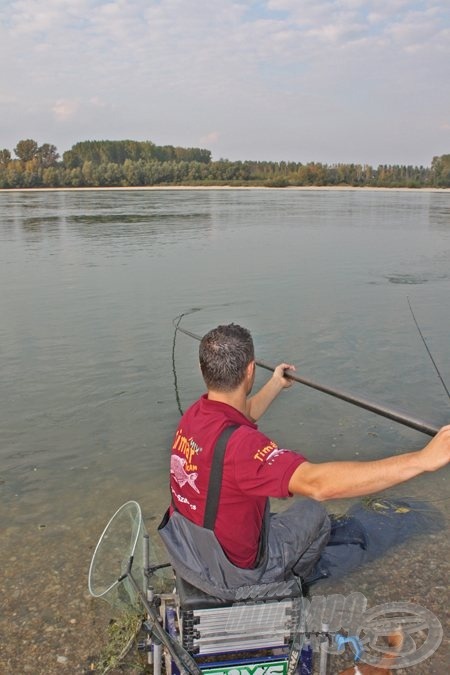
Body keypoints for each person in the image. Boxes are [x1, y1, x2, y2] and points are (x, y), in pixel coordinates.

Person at [159, 323, 450, 599]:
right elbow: (318, 484)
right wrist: (422, 460)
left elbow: (241, 418)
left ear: (203, 370)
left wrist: (275, 384)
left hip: (191, 554)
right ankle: (280, 582)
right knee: (314, 512)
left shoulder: (196, 416)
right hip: (233, 576)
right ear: (250, 370)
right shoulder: (243, 447)